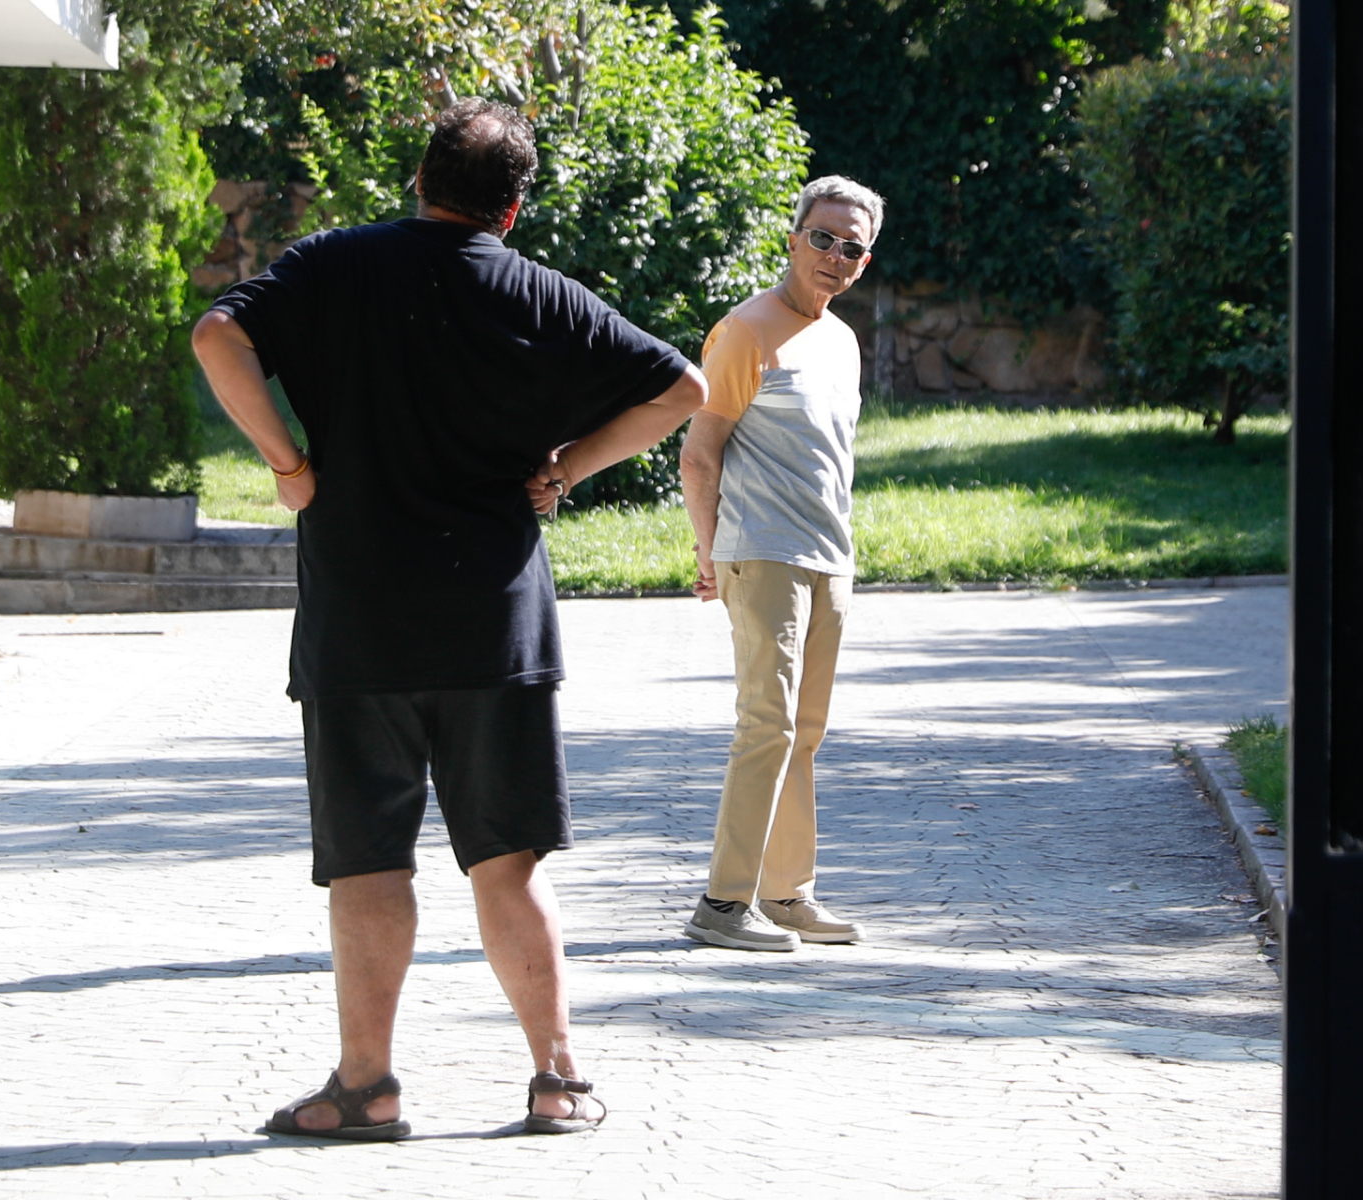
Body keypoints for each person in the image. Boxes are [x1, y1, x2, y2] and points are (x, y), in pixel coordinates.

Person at [192, 98, 706, 1138]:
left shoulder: (335, 265)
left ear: (420, 180)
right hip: (495, 625)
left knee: (367, 861)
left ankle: (365, 1089)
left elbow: (217, 335)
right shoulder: (543, 294)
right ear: (513, 210)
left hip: (360, 621)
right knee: (507, 862)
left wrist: (288, 464)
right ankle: (558, 1081)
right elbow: (681, 388)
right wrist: (565, 467)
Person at [677, 175, 885, 952]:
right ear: (794, 237)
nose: (835, 255)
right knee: (765, 725)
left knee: (805, 730)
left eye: (852, 247)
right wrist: (710, 553)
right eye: (823, 238)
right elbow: (699, 457)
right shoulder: (746, 331)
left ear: (866, 262)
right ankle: (723, 905)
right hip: (762, 553)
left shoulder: (841, 340)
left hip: (829, 557)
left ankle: (787, 892)